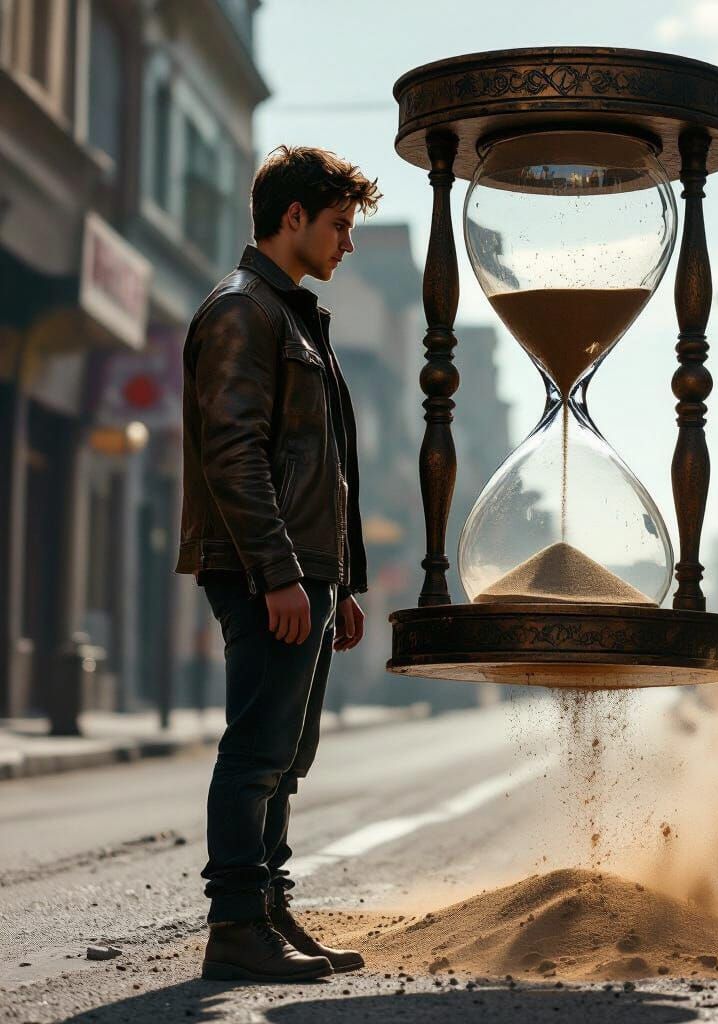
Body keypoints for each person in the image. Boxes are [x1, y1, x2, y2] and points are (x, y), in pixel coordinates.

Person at [175, 145, 382, 982]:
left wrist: (342, 575)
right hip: (266, 567)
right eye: (339, 225)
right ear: (291, 217)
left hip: (305, 566)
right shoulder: (242, 311)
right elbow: (236, 454)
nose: (348, 243)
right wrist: (281, 573)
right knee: (258, 750)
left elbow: (325, 462)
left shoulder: (293, 314)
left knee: (287, 757)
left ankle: (267, 906)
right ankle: (234, 924)